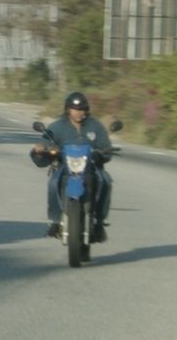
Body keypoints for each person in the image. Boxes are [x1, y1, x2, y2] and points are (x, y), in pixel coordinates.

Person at [30, 91, 114, 242]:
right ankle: (55, 221)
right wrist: (41, 149)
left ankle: (100, 223)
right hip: (65, 167)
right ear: (68, 109)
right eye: (75, 109)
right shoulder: (57, 127)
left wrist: (101, 153)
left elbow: (106, 147)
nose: (78, 112)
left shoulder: (95, 126)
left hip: (91, 167)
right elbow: (46, 143)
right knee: (53, 183)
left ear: (86, 110)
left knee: (106, 181)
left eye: (82, 109)